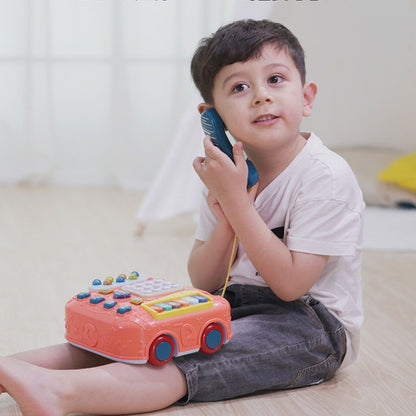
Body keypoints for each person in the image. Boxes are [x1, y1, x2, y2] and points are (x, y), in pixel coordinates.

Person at [0, 19, 364, 415]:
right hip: (231, 305)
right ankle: (12, 371)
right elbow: (205, 280)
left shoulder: (325, 176)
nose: (261, 96)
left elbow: (292, 285)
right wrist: (227, 215)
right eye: (239, 88)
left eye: (276, 79)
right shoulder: (225, 174)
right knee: (127, 339)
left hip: (310, 324)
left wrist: (237, 205)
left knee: (188, 360)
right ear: (214, 117)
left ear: (307, 97)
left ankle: (58, 393)